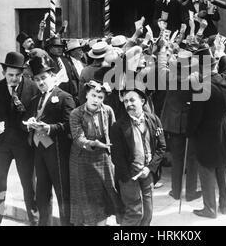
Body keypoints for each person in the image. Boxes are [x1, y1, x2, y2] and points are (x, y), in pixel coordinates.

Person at [0, 52, 38, 226]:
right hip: (1, 146)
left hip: (24, 145)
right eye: (10, 75)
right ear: (4, 72)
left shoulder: (33, 87)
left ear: (23, 73)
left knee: (30, 187)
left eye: (17, 75)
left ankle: (34, 221)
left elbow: (36, 113)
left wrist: (31, 122)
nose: (13, 79)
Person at [25, 55, 76, 225]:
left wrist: (49, 128)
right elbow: (28, 117)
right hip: (40, 152)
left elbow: (70, 125)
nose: (40, 82)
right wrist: (29, 123)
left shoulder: (64, 97)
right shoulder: (35, 99)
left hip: (58, 153)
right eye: (37, 79)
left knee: (63, 194)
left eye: (44, 78)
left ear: (53, 76)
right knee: (42, 194)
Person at [187, 46, 226, 218]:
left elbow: (195, 116)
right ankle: (225, 205)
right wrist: (222, 54)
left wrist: (189, 131)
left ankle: (210, 209)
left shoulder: (201, 88)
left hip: (208, 135)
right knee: (224, 169)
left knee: (206, 170)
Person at [69, 79, 123, 226]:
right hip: (82, 160)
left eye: (100, 97)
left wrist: (113, 151)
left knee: (104, 199)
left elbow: (114, 133)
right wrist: (93, 143)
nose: (96, 100)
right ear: (86, 95)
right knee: (86, 202)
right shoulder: (76, 114)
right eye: (93, 95)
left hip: (103, 158)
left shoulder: (108, 111)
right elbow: (78, 138)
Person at [110, 88, 166, 226]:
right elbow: (117, 157)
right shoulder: (118, 127)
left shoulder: (154, 120)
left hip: (147, 173)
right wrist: (128, 177)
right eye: (126, 101)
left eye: (132, 100)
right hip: (129, 175)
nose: (129, 104)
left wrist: (150, 168)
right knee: (134, 212)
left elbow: (161, 147)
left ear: (142, 101)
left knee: (148, 212)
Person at [157, 48, 202, 202]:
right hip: (189, 122)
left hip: (174, 123)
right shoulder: (195, 79)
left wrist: (163, 51)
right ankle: (190, 192)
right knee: (192, 158)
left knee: (177, 158)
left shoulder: (169, 76)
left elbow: (162, 66)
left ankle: (175, 192)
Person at [45, 36, 79, 105]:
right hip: (55, 98)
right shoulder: (47, 62)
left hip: (69, 96)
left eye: (61, 47)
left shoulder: (65, 60)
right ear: (50, 48)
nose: (60, 49)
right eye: (56, 47)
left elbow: (72, 79)